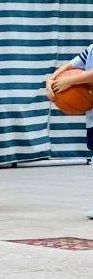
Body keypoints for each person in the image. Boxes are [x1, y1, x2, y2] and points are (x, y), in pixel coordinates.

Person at [47, 43, 93, 218]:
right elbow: (69, 66)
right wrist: (51, 81)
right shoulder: (91, 49)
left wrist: (70, 81)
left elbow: (71, 76)